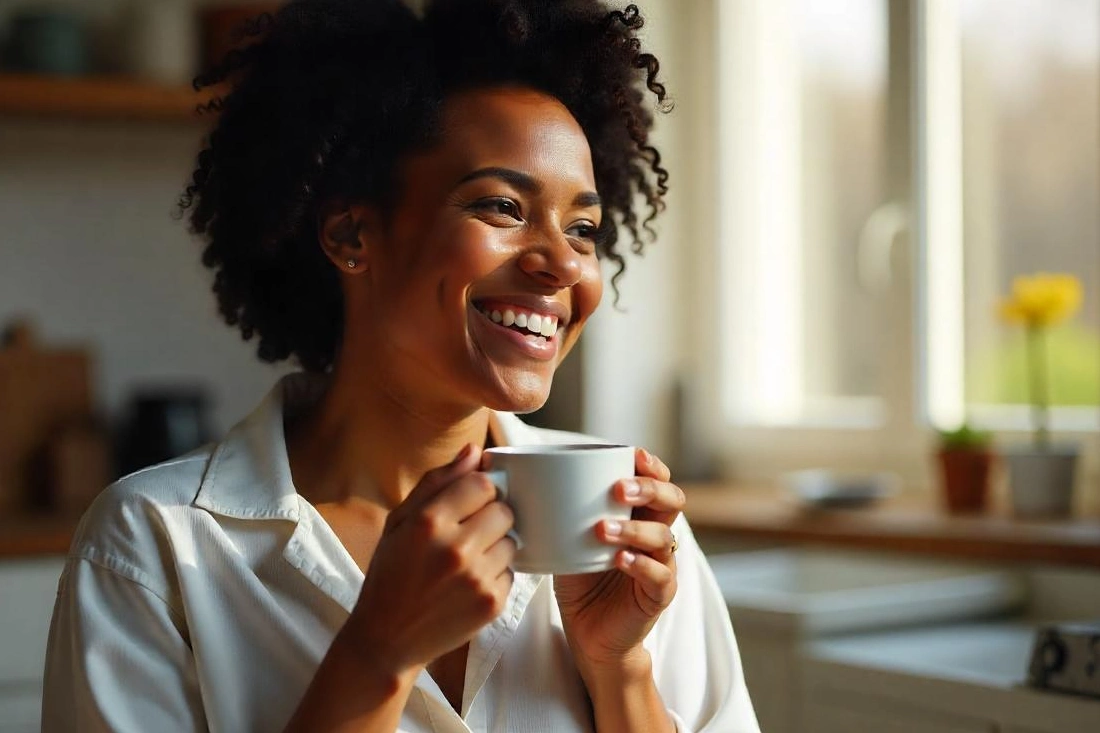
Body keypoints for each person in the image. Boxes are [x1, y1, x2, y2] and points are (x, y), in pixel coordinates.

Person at [42, 1, 760, 731]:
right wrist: (379, 651)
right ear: (352, 234)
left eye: (582, 228)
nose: (562, 264)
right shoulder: (153, 544)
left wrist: (620, 669)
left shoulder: (627, 528)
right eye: (502, 207)